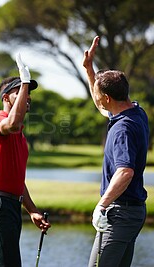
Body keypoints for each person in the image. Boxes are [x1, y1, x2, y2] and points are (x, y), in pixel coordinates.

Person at [0, 52, 51, 267]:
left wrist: (33, 210)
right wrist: (25, 80)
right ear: (5, 98)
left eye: (28, 93)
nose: (27, 97)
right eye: (20, 92)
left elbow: (17, 180)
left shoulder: (20, 135)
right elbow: (13, 123)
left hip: (9, 205)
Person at [83, 36, 149, 267]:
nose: (98, 99)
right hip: (133, 212)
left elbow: (125, 172)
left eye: (100, 95)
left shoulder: (121, 128)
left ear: (108, 98)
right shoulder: (135, 112)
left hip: (119, 214)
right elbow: (101, 103)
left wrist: (101, 205)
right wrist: (90, 69)